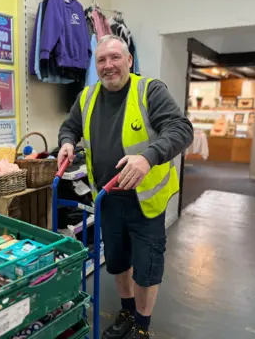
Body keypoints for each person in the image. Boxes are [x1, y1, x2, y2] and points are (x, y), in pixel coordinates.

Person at [57, 35, 193, 339]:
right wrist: (66, 143)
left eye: (115, 58)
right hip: (107, 198)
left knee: (146, 268)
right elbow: (70, 126)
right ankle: (127, 311)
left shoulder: (150, 90)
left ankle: (142, 329)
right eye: (102, 60)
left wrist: (148, 158)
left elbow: (181, 129)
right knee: (117, 261)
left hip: (145, 201)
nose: (109, 66)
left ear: (129, 60)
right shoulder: (87, 96)